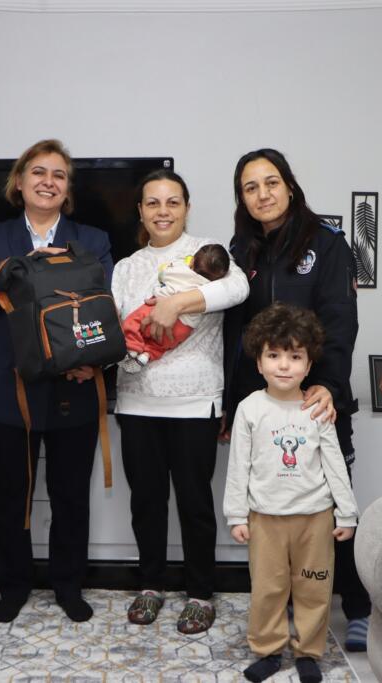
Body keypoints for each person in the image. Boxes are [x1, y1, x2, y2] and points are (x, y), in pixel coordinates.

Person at [222, 148, 372, 651]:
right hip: (262, 402)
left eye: (271, 182)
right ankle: (285, 607)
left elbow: (341, 320)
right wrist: (232, 403)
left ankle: (356, 606)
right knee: (275, 509)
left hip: (317, 401)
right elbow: (232, 332)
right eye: (250, 187)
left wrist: (328, 385)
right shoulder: (241, 250)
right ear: (242, 198)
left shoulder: (327, 244)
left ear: (289, 185)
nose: (262, 194)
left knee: (329, 506)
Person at [0, 139, 112, 624]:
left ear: (68, 188)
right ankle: (14, 585)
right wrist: (24, 268)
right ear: (20, 182)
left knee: (71, 497)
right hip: (11, 390)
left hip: (75, 385)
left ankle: (69, 585)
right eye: (39, 172)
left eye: (59, 175)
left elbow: (107, 310)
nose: (48, 182)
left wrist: (94, 362)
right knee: (11, 497)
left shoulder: (93, 239)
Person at [112, 169, 248, 634]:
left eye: (173, 202)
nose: (163, 211)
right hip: (136, 403)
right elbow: (115, 324)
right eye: (153, 203)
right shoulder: (126, 266)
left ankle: (199, 594)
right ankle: (150, 585)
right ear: (140, 211)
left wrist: (178, 302)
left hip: (194, 403)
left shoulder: (208, 251)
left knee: (194, 504)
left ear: (187, 207)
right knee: (146, 502)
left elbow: (238, 289)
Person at [224, 303, 358, 683]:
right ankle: (268, 650)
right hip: (265, 518)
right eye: (274, 355)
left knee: (314, 587)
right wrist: (236, 514)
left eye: (295, 356)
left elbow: (334, 464)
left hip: (314, 519)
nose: (284, 365)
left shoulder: (317, 409)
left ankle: (308, 652)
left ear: (309, 363)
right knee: (268, 588)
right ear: (259, 362)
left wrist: (347, 513)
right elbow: (238, 466)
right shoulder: (249, 409)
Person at [119, 242, 230, 373]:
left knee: (133, 321)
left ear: (192, 261)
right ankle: (146, 356)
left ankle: (132, 349)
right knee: (160, 346)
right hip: (182, 329)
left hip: (155, 311)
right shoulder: (212, 286)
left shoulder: (180, 269)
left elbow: (163, 274)